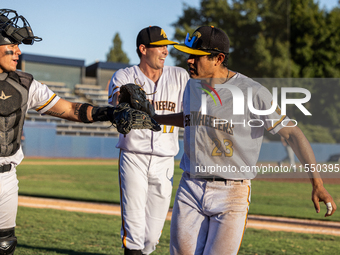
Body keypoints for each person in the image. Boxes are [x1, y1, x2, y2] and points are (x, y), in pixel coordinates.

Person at [153, 26, 337, 255]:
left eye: (196, 56)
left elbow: (292, 134)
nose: (189, 61)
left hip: (232, 192)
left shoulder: (252, 92)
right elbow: (192, 119)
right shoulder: (192, 85)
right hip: (190, 186)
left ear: (218, 59)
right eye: (188, 55)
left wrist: (317, 183)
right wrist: (155, 118)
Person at [0, 9, 148, 255]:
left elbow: (70, 109)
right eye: (12, 44)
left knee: (5, 246)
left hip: (5, 178)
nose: (19, 51)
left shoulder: (25, 84)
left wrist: (109, 113)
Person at [108, 26, 189, 255]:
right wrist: (124, 96)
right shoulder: (125, 75)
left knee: (152, 237)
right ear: (143, 49)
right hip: (134, 157)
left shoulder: (180, 76)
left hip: (165, 160)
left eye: (167, 47)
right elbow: (116, 100)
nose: (165, 52)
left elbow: (190, 115)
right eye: (160, 47)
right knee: (133, 231)